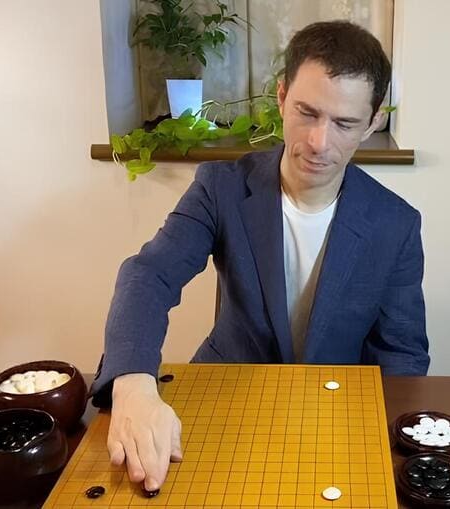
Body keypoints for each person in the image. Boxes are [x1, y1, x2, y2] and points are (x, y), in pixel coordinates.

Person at [89, 20, 429, 492]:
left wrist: (385, 451)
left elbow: (402, 355)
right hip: (226, 394)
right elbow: (150, 276)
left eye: (345, 123)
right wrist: (132, 383)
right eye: (307, 113)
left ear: (373, 121)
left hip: (337, 410)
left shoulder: (397, 223)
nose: (319, 142)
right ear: (282, 95)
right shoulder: (220, 187)